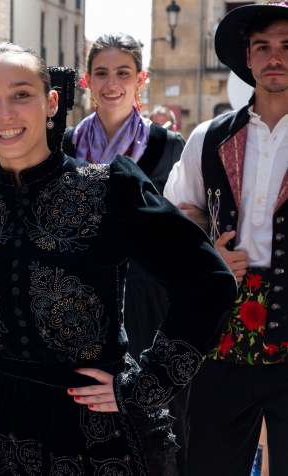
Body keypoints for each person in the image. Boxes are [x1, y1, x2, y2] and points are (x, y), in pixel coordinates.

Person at [0, 42, 236, 476]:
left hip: (93, 432)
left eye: (21, 95)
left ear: (51, 103)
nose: (5, 113)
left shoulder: (110, 189)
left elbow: (208, 281)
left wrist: (148, 383)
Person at [164, 3, 288, 474]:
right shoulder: (208, 137)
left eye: (286, 47)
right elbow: (179, 212)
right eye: (263, 47)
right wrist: (206, 253)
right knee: (209, 464)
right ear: (248, 57)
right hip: (223, 336)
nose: (274, 57)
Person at [62, 32, 190, 474]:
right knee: (86, 423)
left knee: (152, 424)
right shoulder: (64, 149)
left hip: (147, 300)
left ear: (141, 80)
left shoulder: (171, 147)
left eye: (123, 72)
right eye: (101, 72)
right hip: (81, 305)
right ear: (86, 80)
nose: (111, 82)